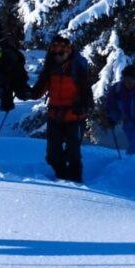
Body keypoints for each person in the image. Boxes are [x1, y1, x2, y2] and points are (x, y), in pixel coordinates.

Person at [29, 35, 94, 182]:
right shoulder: (50, 69)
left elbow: (87, 94)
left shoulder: (78, 69)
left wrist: (82, 106)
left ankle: (76, 182)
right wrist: (26, 92)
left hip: (74, 117)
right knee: (52, 155)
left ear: (69, 52)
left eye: (61, 53)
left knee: (73, 153)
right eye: (55, 53)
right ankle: (62, 177)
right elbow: (38, 91)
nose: (57, 56)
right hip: (55, 116)